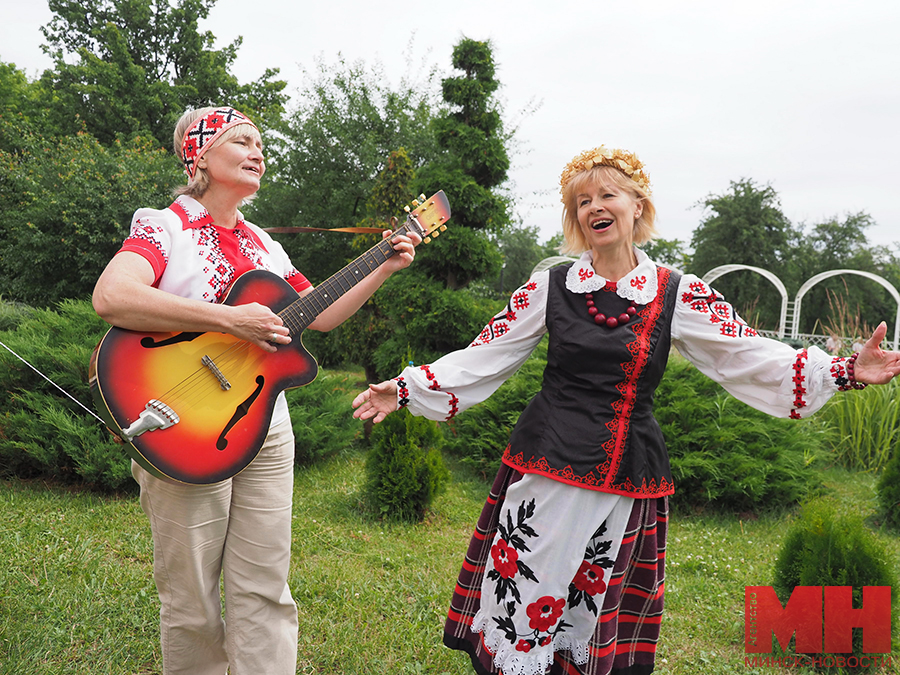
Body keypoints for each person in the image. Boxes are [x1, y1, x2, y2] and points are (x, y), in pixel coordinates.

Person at [351, 145, 900, 675]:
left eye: (607, 194)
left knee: (593, 614)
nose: (594, 207)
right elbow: (486, 355)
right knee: (526, 599)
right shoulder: (551, 286)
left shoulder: (677, 293)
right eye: (582, 201)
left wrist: (847, 370)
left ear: (638, 206)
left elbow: (747, 354)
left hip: (626, 477)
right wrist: (402, 388)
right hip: (546, 471)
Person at [92, 106, 420, 675]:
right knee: (192, 597)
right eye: (240, 139)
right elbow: (112, 296)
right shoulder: (164, 226)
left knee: (266, 584)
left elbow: (316, 315)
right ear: (199, 156)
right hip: (181, 418)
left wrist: (382, 268)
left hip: (267, 421)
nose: (257, 150)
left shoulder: (265, 243)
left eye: (261, 143)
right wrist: (229, 320)